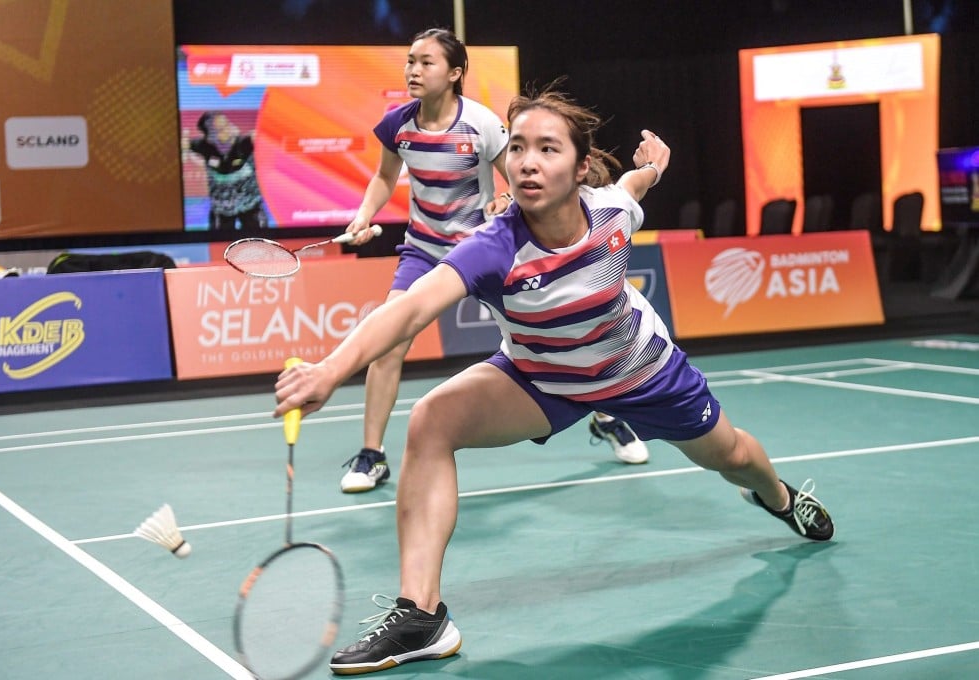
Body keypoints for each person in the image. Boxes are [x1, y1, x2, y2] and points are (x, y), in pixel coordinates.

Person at [274, 85, 835, 674]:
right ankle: (421, 616)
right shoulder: (493, 247)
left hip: (639, 371)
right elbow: (410, 308)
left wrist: (652, 167)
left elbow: (634, 185)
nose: (527, 162)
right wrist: (331, 369)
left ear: (581, 166)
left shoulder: (610, 211)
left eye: (547, 149)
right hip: (543, 378)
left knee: (733, 456)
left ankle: (779, 498)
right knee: (432, 420)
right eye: (517, 148)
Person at [338, 28, 646, 494]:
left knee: (558, 335)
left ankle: (604, 416)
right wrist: (364, 215)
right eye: (410, 61)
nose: (413, 70)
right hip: (424, 250)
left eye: (426, 62)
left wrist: (504, 201)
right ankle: (371, 454)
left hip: (483, 252)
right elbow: (384, 177)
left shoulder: (480, 124)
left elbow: (517, 178)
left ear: (455, 73)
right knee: (389, 343)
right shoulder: (397, 125)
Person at [187, 111, 268, 230]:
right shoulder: (204, 147)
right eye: (221, 129)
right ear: (210, 137)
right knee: (219, 240)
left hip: (251, 205)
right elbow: (185, 144)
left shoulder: (245, 143)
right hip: (221, 209)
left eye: (227, 124)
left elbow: (261, 137)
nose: (228, 129)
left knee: (260, 239)